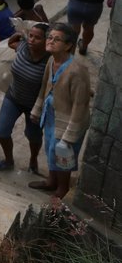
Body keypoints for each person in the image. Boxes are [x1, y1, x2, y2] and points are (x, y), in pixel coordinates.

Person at [28, 23, 91, 199]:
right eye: (50, 38)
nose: (51, 42)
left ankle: (61, 189)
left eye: (57, 39)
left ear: (68, 45)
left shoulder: (77, 71)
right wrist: (37, 109)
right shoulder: (51, 61)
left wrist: (70, 135)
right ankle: (51, 181)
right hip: (51, 114)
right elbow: (44, 87)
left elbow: (80, 106)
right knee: (50, 150)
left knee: (63, 155)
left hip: (69, 120)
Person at [0, 22, 49, 173]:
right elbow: (11, 43)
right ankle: (8, 160)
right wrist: (20, 34)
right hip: (13, 97)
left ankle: (33, 159)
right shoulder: (22, 46)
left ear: (46, 41)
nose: (32, 40)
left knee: (33, 136)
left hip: (35, 105)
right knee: (2, 131)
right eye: (30, 36)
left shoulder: (50, 60)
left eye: (37, 38)